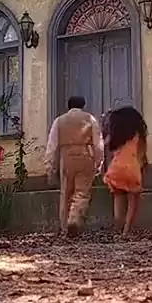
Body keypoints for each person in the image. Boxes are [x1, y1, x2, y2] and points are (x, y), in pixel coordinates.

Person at [45, 95, 104, 237]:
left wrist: (50, 166)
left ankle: (65, 227)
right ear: (83, 105)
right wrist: (99, 162)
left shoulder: (59, 121)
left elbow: (52, 146)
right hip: (85, 156)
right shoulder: (90, 119)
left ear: (68, 106)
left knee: (66, 193)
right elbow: (98, 144)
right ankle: (74, 219)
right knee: (82, 192)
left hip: (66, 158)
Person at [103, 106, 148, 236]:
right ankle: (127, 231)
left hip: (115, 169)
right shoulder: (138, 135)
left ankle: (118, 228)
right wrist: (143, 167)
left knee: (118, 200)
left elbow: (108, 148)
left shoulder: (116, 137)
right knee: (133, 203)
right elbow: (141, 154)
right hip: (131, 168)